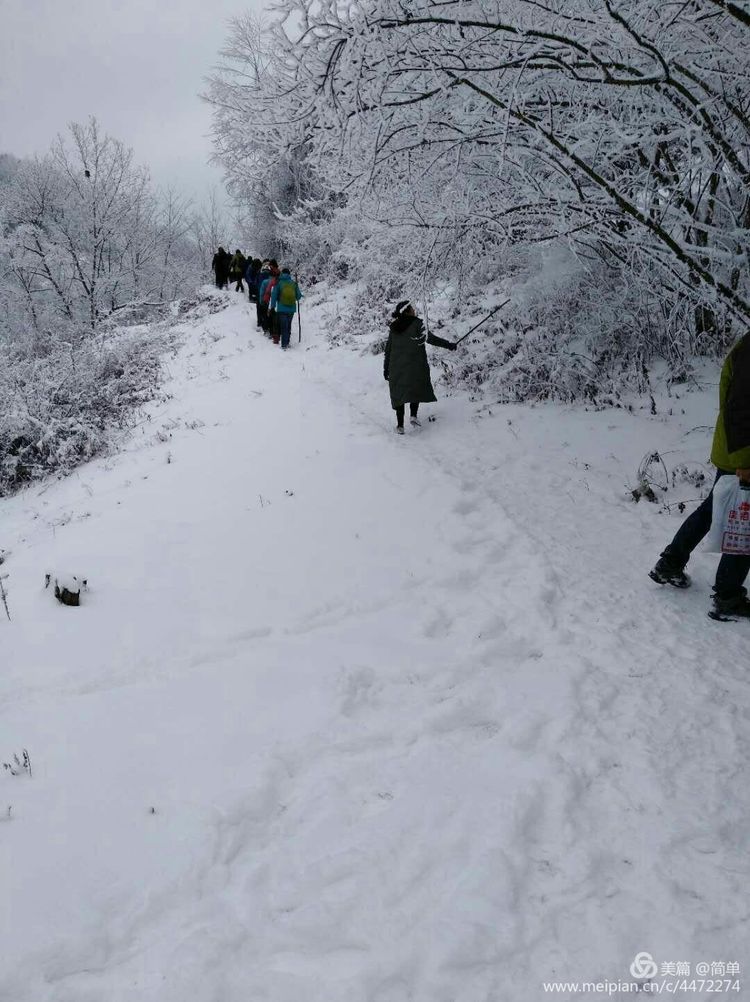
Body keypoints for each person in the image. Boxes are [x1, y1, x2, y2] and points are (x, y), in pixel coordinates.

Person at [650, 332, 750, 618]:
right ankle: (728, 596)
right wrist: (744, 460)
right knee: (743, 522)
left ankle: (670, 563)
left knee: (713, 510)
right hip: (742, 454)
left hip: (735, 450)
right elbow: (741, 409)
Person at [383, 300, 457, 434]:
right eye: (411, 308)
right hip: (415, 364)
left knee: (399, 393)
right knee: (414, 387)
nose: (414, 310)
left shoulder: (394, 328)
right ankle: (413, 416)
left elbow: (388, 349)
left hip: (396, 366)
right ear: (407, 311)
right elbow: (431, 339)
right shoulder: (417, 324)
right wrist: (449, 345)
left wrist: (386, 368)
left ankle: (400, 426)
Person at [270, 268, 302, 349]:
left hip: (281, 308)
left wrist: (272, 307)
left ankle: (284, 345)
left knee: (284, 327)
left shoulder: (279, 283)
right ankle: (287, 342)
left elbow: (274, 295)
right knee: (288, 326)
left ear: (282, 274)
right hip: (291, 309)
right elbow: (298, 296)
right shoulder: (293, 283)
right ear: (289, 274)